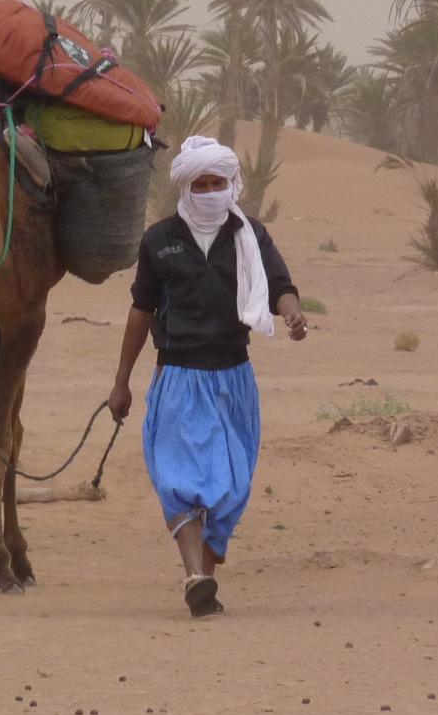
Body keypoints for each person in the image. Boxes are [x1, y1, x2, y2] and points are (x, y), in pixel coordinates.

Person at [106, 136, 307, 618]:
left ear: (230, 184)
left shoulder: (250, 236)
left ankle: (205, 585)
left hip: (233, 379)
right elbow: (141, 309)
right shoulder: (160, 240)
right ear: (186, 186)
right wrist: (121, 381)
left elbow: (280, 285)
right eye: (202, 183)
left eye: (218, 182)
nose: (211, 191)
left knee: (230, 489)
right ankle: (195, 576)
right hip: (178, 375)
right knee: (179, 480)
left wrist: (293, 314)